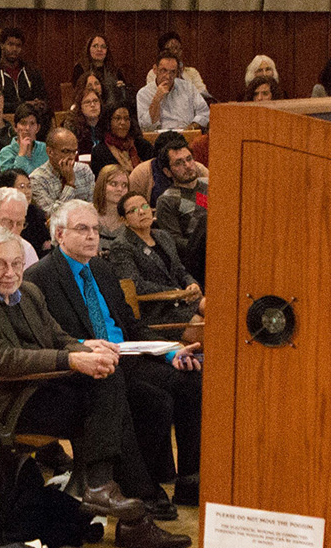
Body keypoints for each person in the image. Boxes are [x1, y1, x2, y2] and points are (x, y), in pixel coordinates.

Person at [0, 228, 186, 548]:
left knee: (113, 384)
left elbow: (58, 337)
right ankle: (122, 505)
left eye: (16, 263)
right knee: (107, 401)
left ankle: (107, 493)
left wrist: (88, 350)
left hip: (38, 390)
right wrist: (71, 359)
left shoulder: (28, 292)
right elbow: (3, 359)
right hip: (0, 405)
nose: (10, 272)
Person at [29, 199, 202, 508]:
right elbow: (46, 337)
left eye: (96, 229)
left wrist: (170, 351)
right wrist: (84, 347)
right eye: (82, 229)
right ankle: (140, 486)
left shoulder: (100, 268)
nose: (92, 236)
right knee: (153, 400)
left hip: (127, 353)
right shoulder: (40, 277)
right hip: (87, 365)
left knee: (189, 377)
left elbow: (131, 324)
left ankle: (190, 480)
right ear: (60, 234)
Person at [150, 140, 211, 279]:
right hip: (196, 261)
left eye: (189, 159)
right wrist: (208, 245)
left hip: (226, 247)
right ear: (167, 172)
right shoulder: (167, 200)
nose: (187, 166)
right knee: (205, 221)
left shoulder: (210, 184)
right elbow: (173, 242)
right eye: (179, 163)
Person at [136, 49, 210, 137]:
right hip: (159, 139)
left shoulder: (188, 88)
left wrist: (192, 128)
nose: (168, 76)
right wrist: (157, 99)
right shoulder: (143, 94)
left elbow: (204, 113)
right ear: (155, 70)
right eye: (164, 70)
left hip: (186, 136)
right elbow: (146, 127)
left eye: (172, 72)